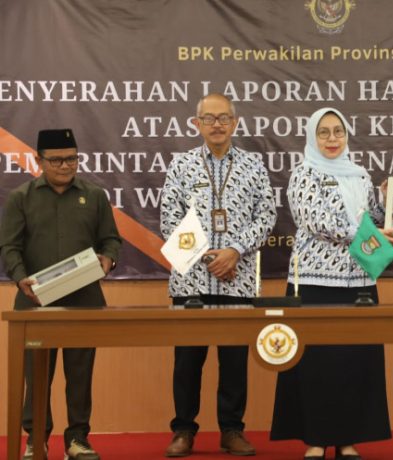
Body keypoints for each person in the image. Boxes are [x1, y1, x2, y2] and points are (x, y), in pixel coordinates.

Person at [270, 107, 393, 460]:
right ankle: (315, 438)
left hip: (359, 279)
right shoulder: (303, 173)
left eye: (338, 132)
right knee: (316, 363)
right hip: (315, 281)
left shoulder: (360, 175)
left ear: (346, 135)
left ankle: (347, 439)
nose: (331, 139)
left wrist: (388, 203)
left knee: (355, 361)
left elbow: (372, 219)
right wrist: (365, 232)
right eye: (323, 132)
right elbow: (314, 220)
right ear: (313, 137)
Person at [160, 93, 277, 457]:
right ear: (197, 124)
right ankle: (183, 430)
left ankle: (231, 430)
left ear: (235, 123)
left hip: (237, 280)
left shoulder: (253, 166)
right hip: (190, 282)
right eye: (209, 118)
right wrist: (208, 257)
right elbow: (169, 219)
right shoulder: (181, 165)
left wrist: (234, 251)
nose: (216, 125)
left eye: (224, 118)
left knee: (234, 363)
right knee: (187, 363)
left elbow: (267, 216)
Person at [0, 128, 122, 460]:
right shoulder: (21, 198)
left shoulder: (94, 196)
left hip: (84, 301)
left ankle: (77, 440)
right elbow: (9, 246)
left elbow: (111, 239)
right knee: (36, 374)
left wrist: (108, 258)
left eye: (71, 159)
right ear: (38, 161)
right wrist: (21, 278)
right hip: (34, 302)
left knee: (80, 374)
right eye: (56, 160)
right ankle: (36, 439)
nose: (65, 166)